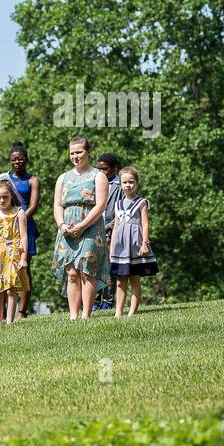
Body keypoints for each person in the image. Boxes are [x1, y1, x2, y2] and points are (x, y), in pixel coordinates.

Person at [52, 136, 111, 320]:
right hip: (67, 228)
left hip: (90, 228)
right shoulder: (63, 178)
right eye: (72, 153)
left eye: (79, 152)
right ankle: (73, 315)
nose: (75, 156)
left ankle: (86, 315)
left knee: (87, 271)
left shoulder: (98, 176)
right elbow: (57, 205)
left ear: (88, 152)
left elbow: (101, 205)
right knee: (71, 273)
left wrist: (82, 226)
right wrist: (61, 225)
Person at [0, 142, 40, 318]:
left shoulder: (33, 180)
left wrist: (20, 219)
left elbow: (33, 205)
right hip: (6, 226)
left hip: (26, 225)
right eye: (14, 159)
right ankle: (6, 309)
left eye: (20, 159)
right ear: (10, 161)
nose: (17, 162)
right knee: (6, 266)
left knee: (24, 266)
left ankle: (22, 311)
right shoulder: (4, 179)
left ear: (26, 160)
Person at [109, 166, 157, 317]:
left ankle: (132, 312)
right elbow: (116, 227)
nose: (128, 185)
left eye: (131, 182)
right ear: (120, 184)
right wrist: (112, 247)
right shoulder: (118, 204)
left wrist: (145, 243)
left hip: (135, 245)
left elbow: (145, 224)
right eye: (124, 182)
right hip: (120, 247)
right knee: (120, 280)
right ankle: (118, 312)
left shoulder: (141, 202)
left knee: (134, 279)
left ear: (137, 183)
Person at [0, 179, 31, 326]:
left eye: (5, 197)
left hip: (13, 253)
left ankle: (10, 322)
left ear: (11, 195)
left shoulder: (19, 213)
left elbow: (24, 236)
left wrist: (23, 258)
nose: (1, 200)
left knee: (11, 288)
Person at [92, 153, 123, 312]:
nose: (101, 172)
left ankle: (108, 300)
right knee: (94, 265)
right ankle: (95, 301)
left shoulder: (120, 185)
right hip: (95, 228)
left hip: (112, 229)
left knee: (110, 266)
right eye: (99, 169)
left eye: (104, 169)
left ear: (114, 169)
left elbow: (122, 209)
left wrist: (110, 226)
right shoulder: (94, 181)